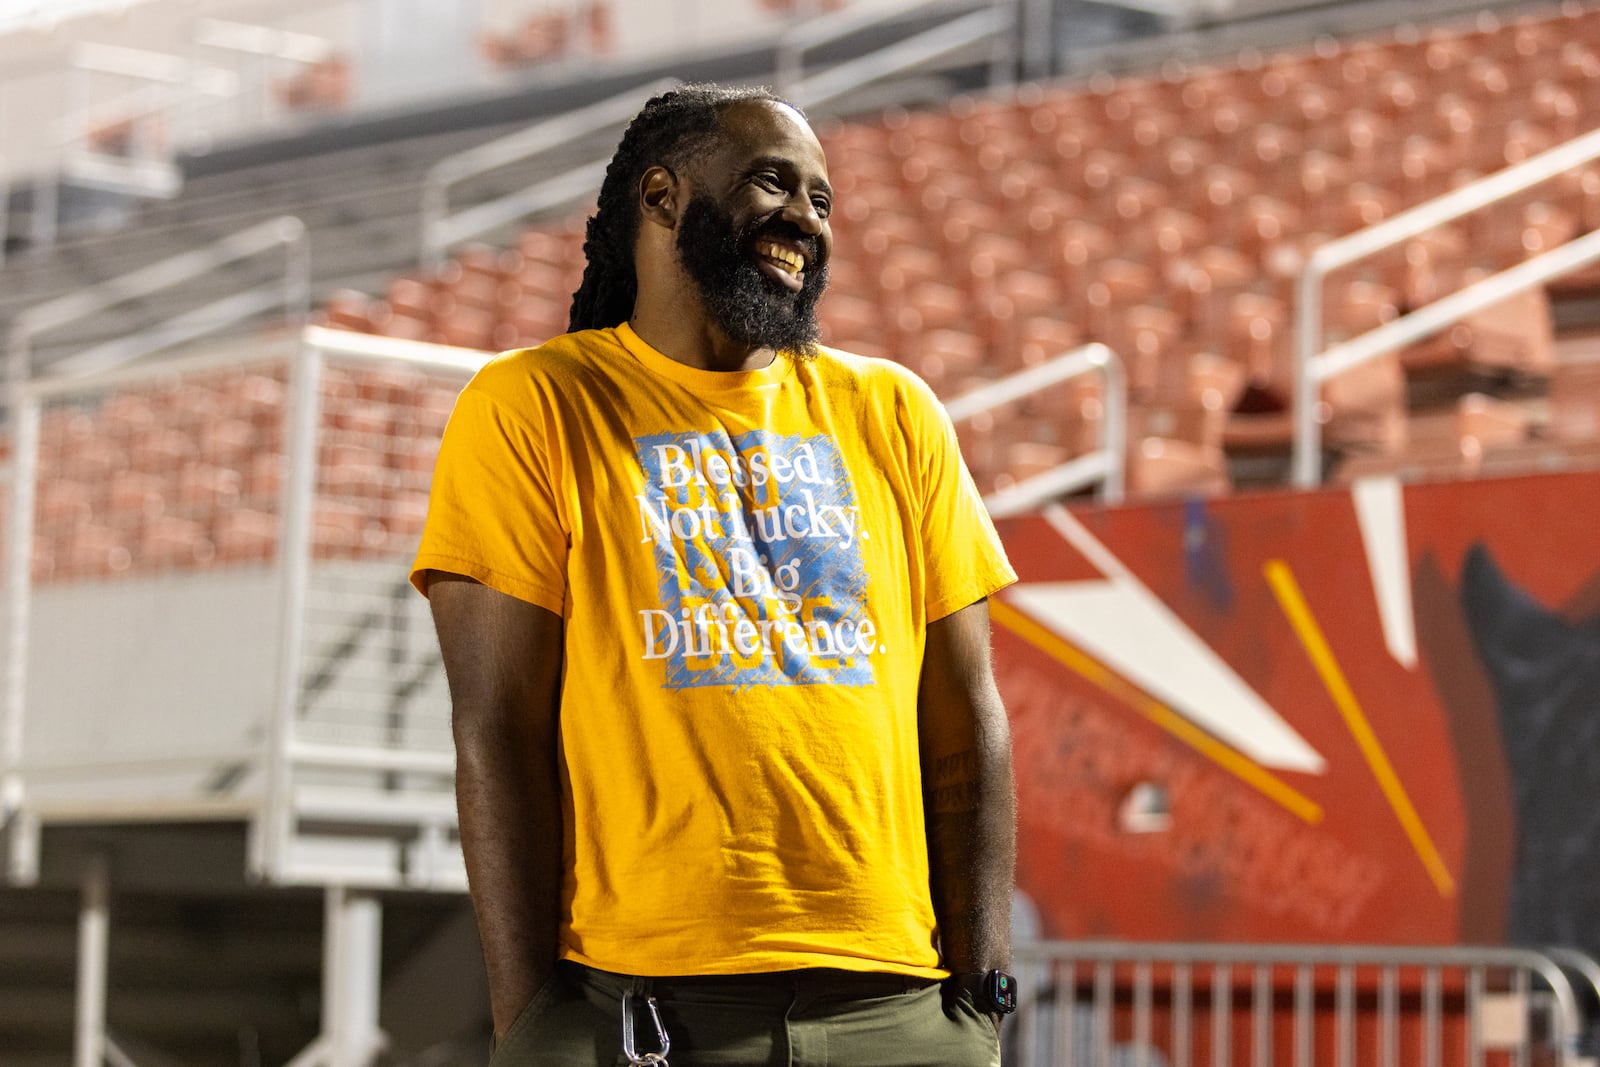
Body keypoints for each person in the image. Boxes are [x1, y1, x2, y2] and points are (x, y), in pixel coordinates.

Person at [412, 82, 1018, 1066]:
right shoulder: (532, 405)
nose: (804, 220)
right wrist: (529, 1018)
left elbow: (965, 713)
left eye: (822, 201)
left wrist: (982, 995)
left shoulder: (894, 412)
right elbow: (497, 725)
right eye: (773, 182)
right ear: (660, 196)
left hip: (898, 1010)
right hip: (646, 1012)